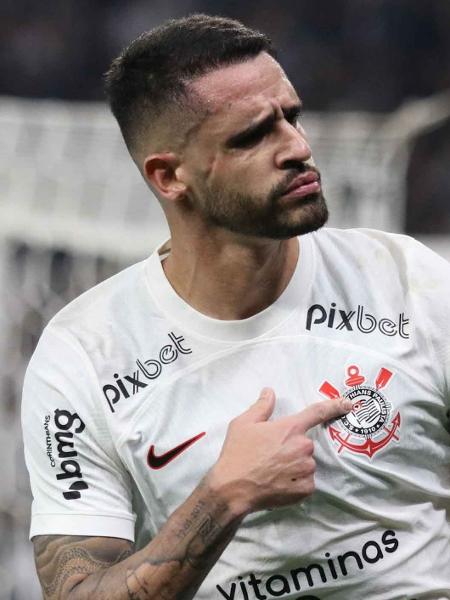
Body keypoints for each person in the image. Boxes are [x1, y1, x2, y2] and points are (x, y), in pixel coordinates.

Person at [21, 14, 450, 600]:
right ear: (170, 176)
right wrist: (223, 495)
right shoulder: (85, 354)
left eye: (291, 118)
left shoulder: (409, 282)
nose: (297, 148)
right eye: (253, 135)